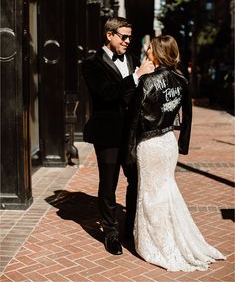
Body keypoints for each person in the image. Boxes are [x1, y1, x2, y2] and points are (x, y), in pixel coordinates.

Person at [126, 35, 226, 271]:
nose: (147, 51)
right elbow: (188, 116)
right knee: (166, 189)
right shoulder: (181, 79)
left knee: (150, 194)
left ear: (158, 53)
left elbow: (134, 118)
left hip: (149, 144)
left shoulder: (147, 81)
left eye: (150, 48)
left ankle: (155, 243)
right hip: (168, 142)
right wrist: (183, 144)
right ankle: (171, 237)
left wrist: (128, 148)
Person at [82, 16, 155, 255]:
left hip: (132, 133)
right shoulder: (91, 63)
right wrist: (135, 77)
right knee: (109, 182)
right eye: (123, 36)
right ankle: (110, 233)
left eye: (130, 37)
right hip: (107, 133)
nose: (127, 41)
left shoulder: (132, 59)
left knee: (135, 180)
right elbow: (105, 94)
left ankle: (130, 228)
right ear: (109, 35)